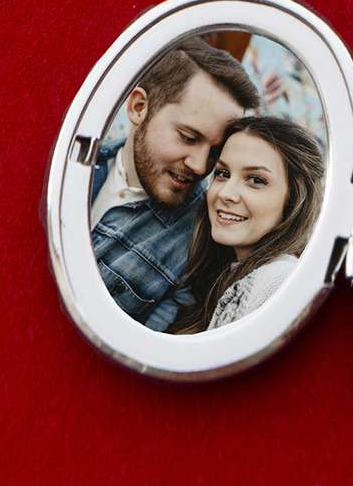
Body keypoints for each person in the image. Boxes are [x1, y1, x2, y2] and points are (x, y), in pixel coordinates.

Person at [90, 38, 260, 330]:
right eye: (189, 137)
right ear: (139, 107)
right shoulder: (73, 164)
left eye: (215, 151)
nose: (200, 166)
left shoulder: (199, 244)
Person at [170, 114, 326, 333]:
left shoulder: (279, 281)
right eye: (223, 173)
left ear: (293, 199)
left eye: (256, 180)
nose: (225, 193)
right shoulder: (225, 274)